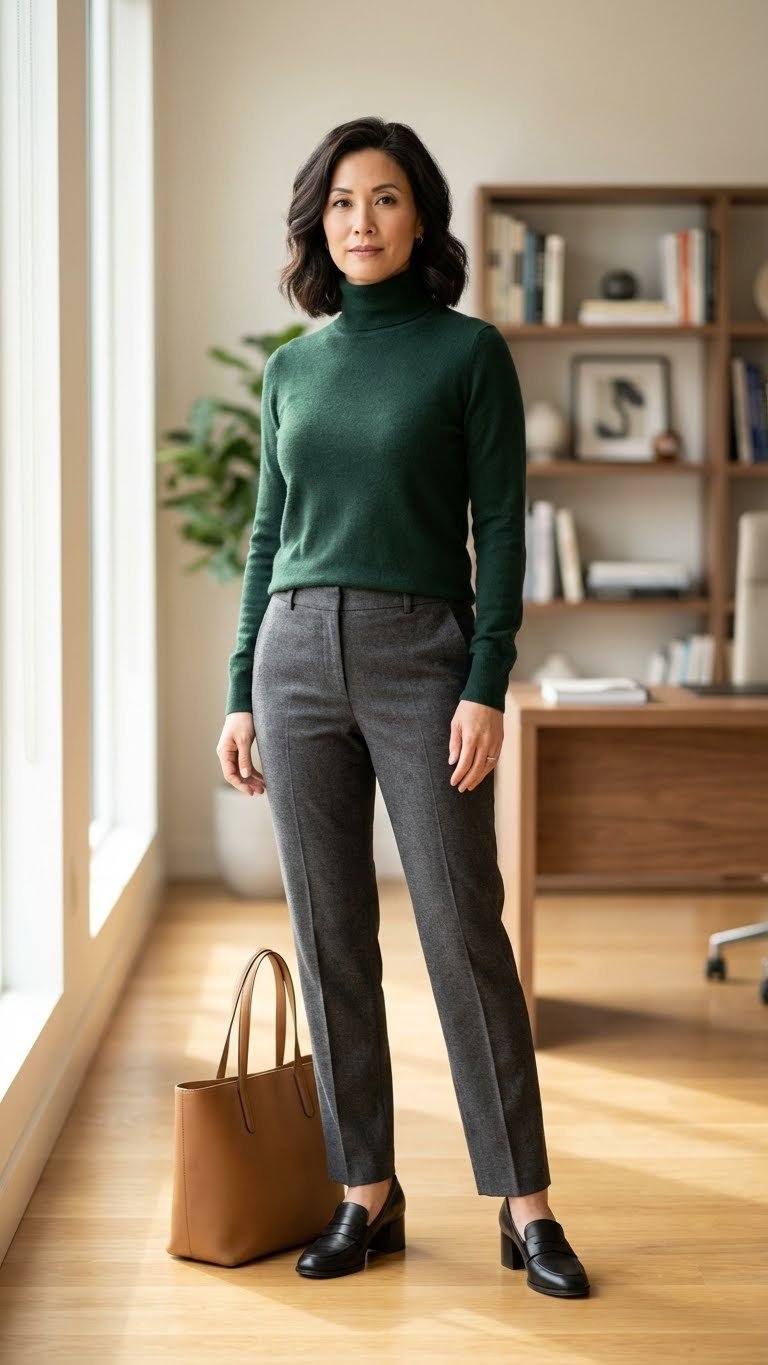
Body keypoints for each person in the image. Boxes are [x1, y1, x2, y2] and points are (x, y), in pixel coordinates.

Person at [216, 115, 589, 1297]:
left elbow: (502, 528)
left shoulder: (468, 353)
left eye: (381, 200)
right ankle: (363, 1192)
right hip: (293, 658)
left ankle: (524, 1205)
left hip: (421, 657)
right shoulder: (292, 366)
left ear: (418, 215)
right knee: (332, 938)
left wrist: (486, 679)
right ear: (316, 225)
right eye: (338, 204)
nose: (359, 223)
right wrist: (239, 693)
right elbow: (266, 538)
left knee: (463, 933)